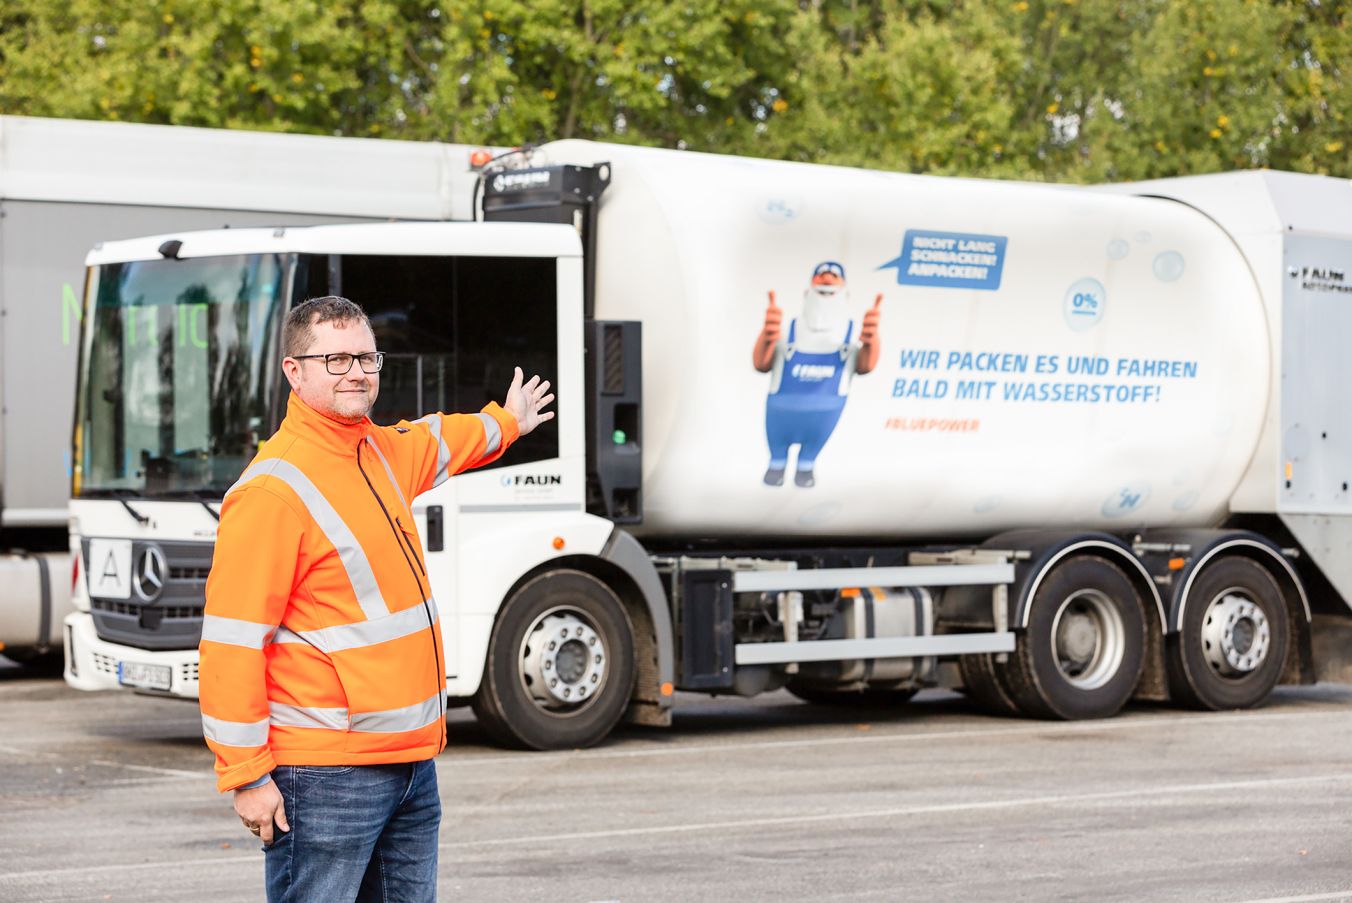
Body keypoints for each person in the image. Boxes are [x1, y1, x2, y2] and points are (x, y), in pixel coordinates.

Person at [198, 295, 554, 902]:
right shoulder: (272, 491)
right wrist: (246, 774)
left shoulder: (378, 452)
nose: (356, 371)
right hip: (325, 773)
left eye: (366, 356)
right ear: (294, 371)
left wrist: (509, 421)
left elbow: (445, 438)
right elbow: (232, 644)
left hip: (411, 765)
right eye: (335, 359)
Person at [752, 261, 882, 488]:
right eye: (821, 275)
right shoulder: (787, 327)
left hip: (827, 411)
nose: (828, 280)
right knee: (776, 456)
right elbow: (761, 364)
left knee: (810, 453)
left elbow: (864, 367)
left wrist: (871, 342)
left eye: (834, 276)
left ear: (845, 292)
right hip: (780, 408)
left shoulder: (852, 332)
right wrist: (767, 335)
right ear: (807, 290)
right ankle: (777, 465)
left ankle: (806, 467)